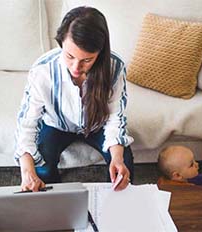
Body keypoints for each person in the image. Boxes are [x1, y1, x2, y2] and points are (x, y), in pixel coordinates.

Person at [14, 6, 134, 192]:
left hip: (97, 124)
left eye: (87, 60)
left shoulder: (114, 67)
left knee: (124, 166)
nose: (76, 67)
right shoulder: (42, 71)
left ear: (100, 53)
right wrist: (27, 170)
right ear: (61, 43)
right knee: (42, 169)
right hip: (56, 125)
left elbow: (114, 117)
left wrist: (117, 159)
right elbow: (27, 123)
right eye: (70, 56)